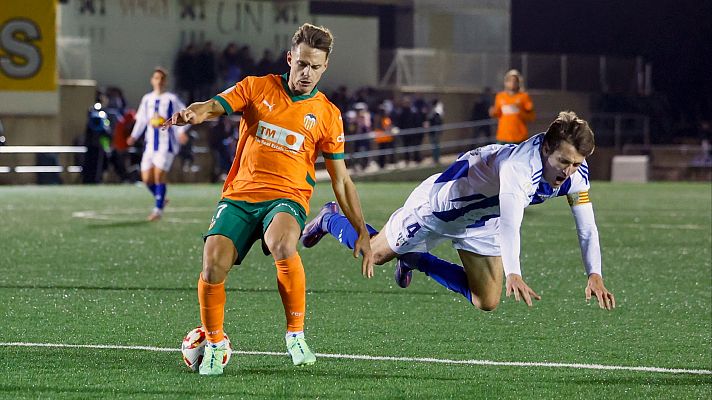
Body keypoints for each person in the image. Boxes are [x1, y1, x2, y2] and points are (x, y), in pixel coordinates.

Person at [163, 23, 374, 376]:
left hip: (287, 197)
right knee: (212, 262)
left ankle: (295, 335)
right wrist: (194, 113)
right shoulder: (256, 87)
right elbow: (213, 105)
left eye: (315, 67)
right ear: (290, 58)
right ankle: (214, 344)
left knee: (281, 241)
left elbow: (342, 179)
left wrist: (361, 231)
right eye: (302, 64)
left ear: (325, 68)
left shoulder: (327, 114)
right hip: (241, 194)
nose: (307, 73)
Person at [302, 111, 615, 315]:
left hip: (481, 220)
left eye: (576, 163)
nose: (570, 171)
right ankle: (330, 217)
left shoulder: (576, 172)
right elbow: (510, 223)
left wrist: (595, 274)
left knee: (487, 301)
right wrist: (514, 273)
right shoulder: (520, 168)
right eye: (564, 162)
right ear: (546, 149)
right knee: (375, 254)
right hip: (440, 208)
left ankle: (415, 258)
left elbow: (587, 227)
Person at [127, 67, 189, 221]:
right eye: (156, 78)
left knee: (158, 175)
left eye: (162, 79)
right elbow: (141, 120)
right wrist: (134, 136)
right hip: (150, 144)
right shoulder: (147, 99)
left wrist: (181, 132)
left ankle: (158, 210)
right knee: (146, 178)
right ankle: (160, 197)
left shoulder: (171, 99)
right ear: (152, 80)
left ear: (165, 81)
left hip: (166, 143)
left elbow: (185, 114)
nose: (159, 81)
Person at [489, 70, 535, 144]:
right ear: (505, 82)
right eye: (509, 81)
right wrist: (492, 112)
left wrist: (519, 112)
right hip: (503, 137)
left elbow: (531, 116)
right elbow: (498, 114)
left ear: (518, 83)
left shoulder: (524, 96)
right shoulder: (500, 96)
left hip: (519, 138)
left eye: (515, 81)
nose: (512, 83)